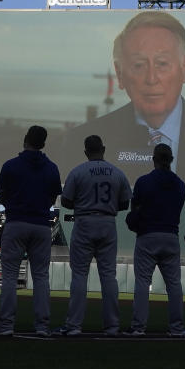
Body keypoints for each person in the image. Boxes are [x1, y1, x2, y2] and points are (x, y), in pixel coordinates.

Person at [62, 11, 185, 184]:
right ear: (120, 74)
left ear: (184, 67)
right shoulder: (79, 142)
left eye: (162, 63)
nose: (151, 78)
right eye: (139, 65)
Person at [0, 125, 61, 337]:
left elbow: (3, 195)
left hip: (17, 221)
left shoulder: (11, 165)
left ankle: (6, 324)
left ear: (26, 139)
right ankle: (42, 326)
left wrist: (14, 208)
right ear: (43, 143)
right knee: (40, 277)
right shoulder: (52, 168)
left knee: (10, 276)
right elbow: (51, 198)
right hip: (40, 224)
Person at [57, 135, 132, 336]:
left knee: (80, 275)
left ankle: (74, 325)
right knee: (108, 276)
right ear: (103, 149)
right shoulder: (117, 172)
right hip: (107, 221)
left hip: (84, 221)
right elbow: (125, 203)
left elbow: (65, 201)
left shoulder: (78, 171)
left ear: (85, 151)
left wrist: (83, 203)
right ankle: (112, 326)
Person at [124, 143, 185, 337]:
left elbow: (135, 211)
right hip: (170, 235)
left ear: (154, 159)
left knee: (142, 282)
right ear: (171, 160)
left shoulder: (144, 182)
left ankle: (138, 327)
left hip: (148, 235)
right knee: (174, 285)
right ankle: (177, 328)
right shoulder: (180, 184)